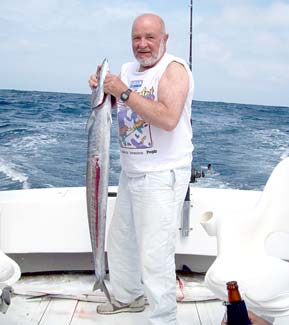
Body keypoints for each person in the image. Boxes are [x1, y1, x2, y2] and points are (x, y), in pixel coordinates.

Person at [89, 13, 194, 325]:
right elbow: (118, 107)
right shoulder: (126, 70)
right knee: (121, 242)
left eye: (150, 37)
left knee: (155, 254)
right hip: (131, 171)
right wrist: (102, 91)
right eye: (137, 38)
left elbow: (167, 118)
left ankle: (164, 318)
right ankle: (128, 296)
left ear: (165, 39)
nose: (143, 44)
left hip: (162, 174)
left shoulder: (174, 70)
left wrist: (121, 91)